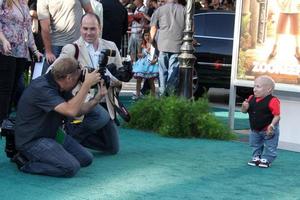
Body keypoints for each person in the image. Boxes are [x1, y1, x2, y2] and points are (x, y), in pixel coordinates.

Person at [14, 57, 116, 177]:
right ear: (68, 78)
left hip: (52, 134)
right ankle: (25, 162)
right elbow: (71, 111)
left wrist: (98, 98)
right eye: (77, 78)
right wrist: (86, 85)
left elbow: (78, 111)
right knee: (70, 167)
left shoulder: (60, 85)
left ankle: (49, 156)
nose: (79, 81)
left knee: (86, 159)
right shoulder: (42, 88)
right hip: (32, 140)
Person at [59, 13, 124, 122]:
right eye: (85, 28)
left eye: (92, 29)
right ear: (80, 28)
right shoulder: (71, 49)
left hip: (107, 104)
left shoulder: (111, 46)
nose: (88, 33)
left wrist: (109, 79)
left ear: (100, 28)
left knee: (110, 138)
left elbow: (120, 78)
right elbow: (56, 74)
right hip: (82, 106)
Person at [0, 0, 42, 124]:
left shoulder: (23, 4)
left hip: (21, 52)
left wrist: (35, 50)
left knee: (13, 86)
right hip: (5, 50)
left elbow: (28, 30)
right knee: (5, 87)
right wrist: (3, 40)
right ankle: (2, 119)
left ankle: (5, 116)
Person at [37, 0, 93, 74]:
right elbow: (45, 27)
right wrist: (48, 51)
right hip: (56, 45)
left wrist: (88, 35)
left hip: (78, 44)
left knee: (81, 76)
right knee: (50, 77)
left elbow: (89, 12)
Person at [241, 75, 280, 168]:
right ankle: (256, 157)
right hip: (255, 128)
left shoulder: (273, 101)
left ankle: (267, 159)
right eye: (254, 86)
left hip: (268, 128)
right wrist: (244, 107)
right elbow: (243, 111)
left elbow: (277, 116)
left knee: (270, 145)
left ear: (268, 90)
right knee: (255, 144)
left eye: (258, 87)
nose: (254, 89)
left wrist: (272, 125)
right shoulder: (251, 98)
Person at [150, 0, 185, 96]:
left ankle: (162, 92)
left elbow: (153, 28)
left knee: (162, 71)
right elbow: (191, 28)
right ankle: (170, 93)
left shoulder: (159, 10)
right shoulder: (184, 10)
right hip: (177, 45)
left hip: (162, 45)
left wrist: (152, 41)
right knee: (173, 71)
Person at [132, 30, 159, 99]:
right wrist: (142, 54)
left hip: (150, 63)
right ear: (143, 36)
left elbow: (158, 55)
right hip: (142, 64)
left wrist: (155, 60)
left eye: (148, 35)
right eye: (145, 35)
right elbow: (138, 54)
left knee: (151, 81)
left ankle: (153, 95)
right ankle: (137, 94)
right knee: (139, 79)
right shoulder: (141, 44)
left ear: (151, 36)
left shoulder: (154, 44)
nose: (147, 37)